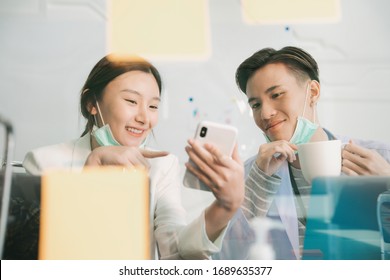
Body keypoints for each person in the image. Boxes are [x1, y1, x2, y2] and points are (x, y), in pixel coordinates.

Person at [22, 54, 244, 259]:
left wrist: (225, 207)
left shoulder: (162, 166)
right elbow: (40, 256)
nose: (144, 117)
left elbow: (175, 253)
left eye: (153, 106)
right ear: (91, 103)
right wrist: (92, 170)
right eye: (131, 101)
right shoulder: (44, 162)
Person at [210, 46, 390, 260]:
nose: (265, 113)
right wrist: (258, 184)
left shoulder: (379, 159)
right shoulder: (251, 174)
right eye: (256, 105)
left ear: (312, 93)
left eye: (276, 95)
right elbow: (227, 260)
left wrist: (387, 186)